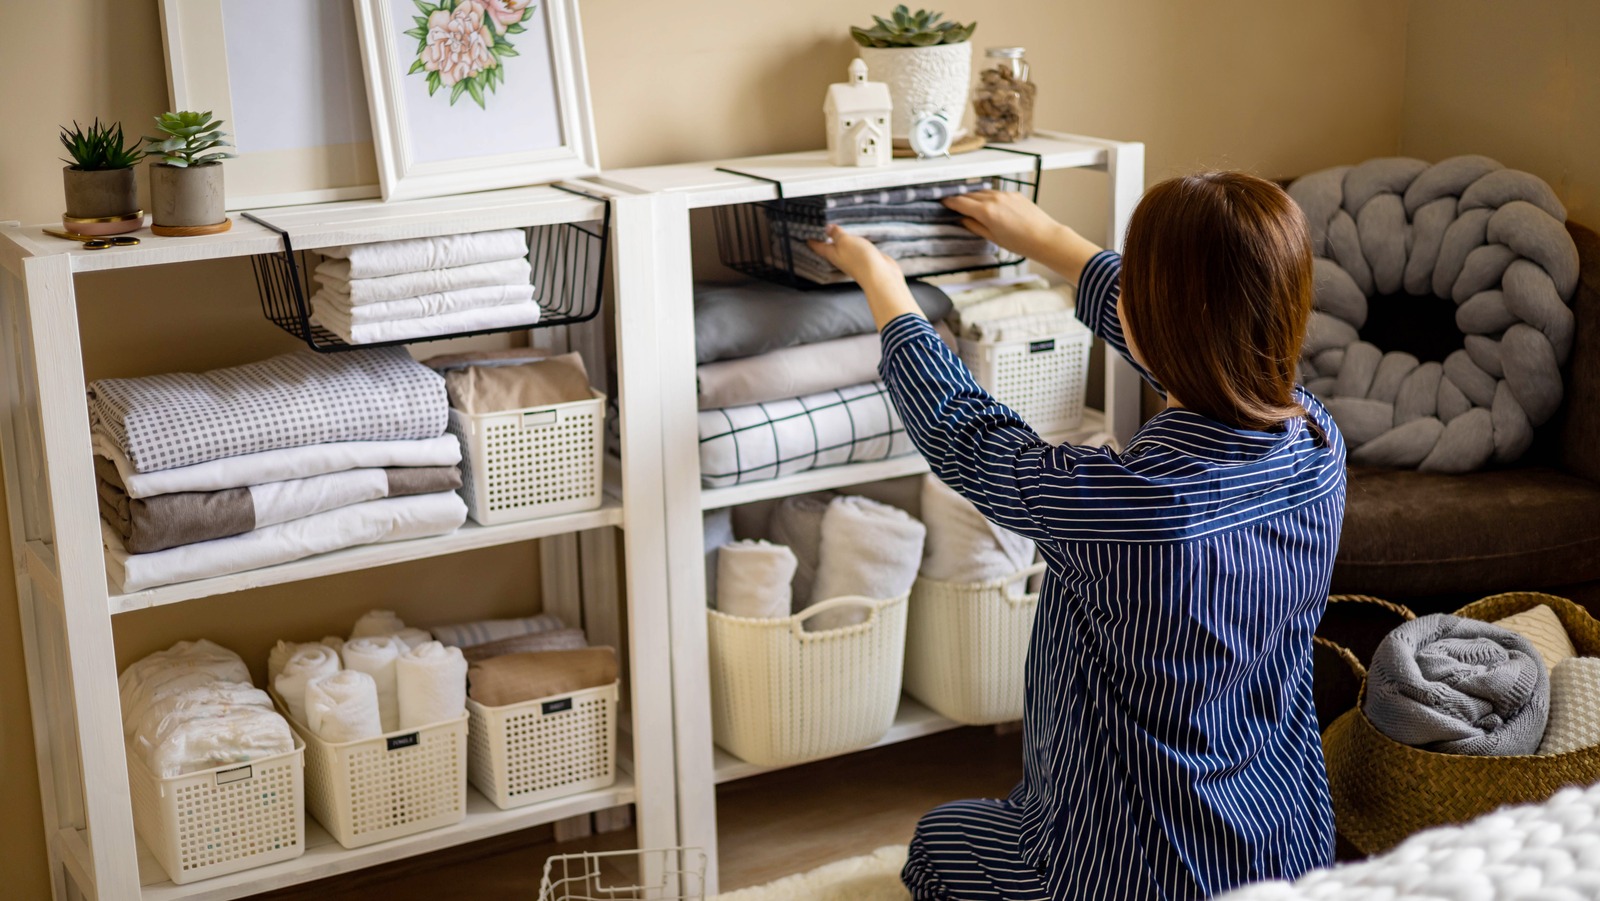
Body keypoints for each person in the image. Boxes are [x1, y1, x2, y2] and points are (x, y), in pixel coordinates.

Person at [807, 172, 1346, 901]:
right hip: (1289, 850)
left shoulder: (1126, 508)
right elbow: (1196, 344)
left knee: (938, 843)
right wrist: (1050, 242)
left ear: (1157, 319)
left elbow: (967, 433)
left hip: (1125, 877)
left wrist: (884, 281)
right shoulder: (1318, 442)